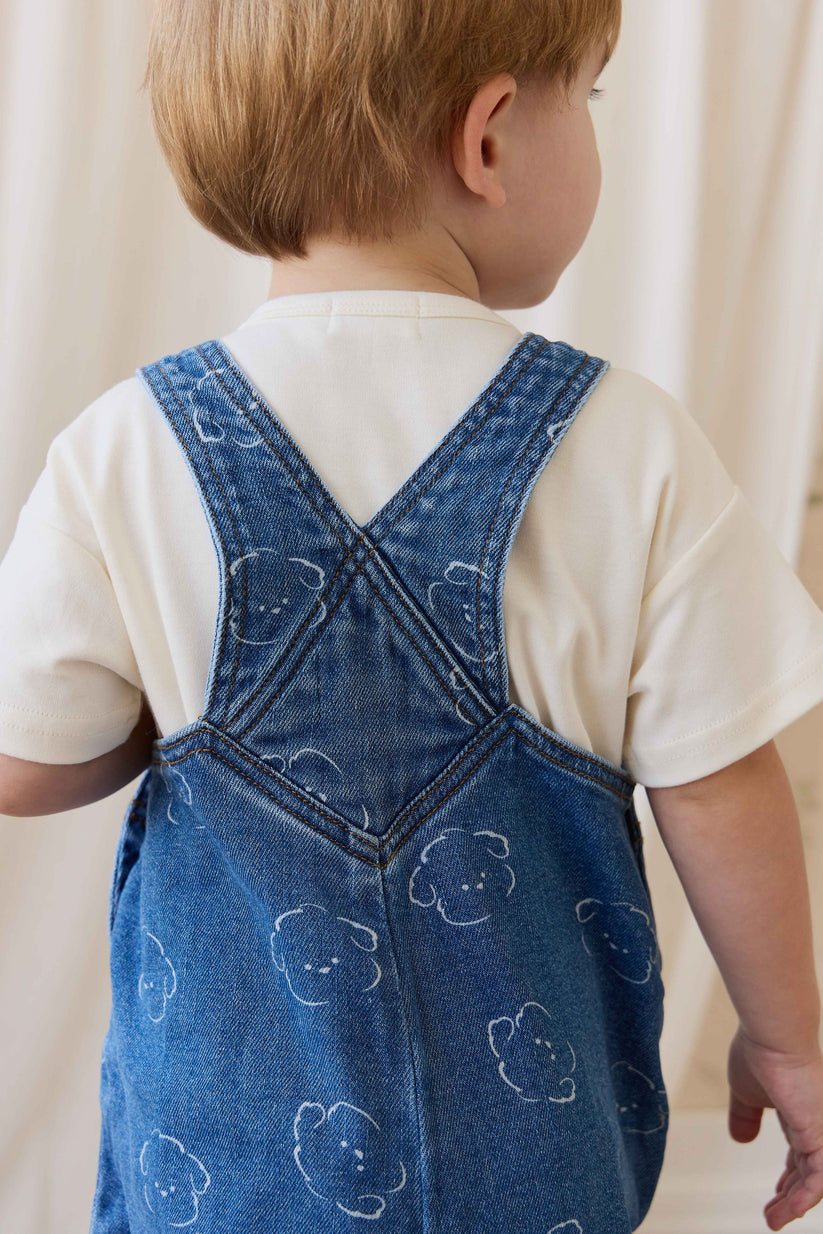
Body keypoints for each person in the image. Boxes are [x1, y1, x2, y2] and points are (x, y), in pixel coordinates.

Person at [1, 0, 822, 1229]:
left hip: (220, 1178)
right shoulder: (627, 444)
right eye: (587, 98)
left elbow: (25, 762)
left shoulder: (124, 451)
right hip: (542, 1175)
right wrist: (787, 1039)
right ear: (488, 138)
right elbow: (720, 787)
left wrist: (174, 717)